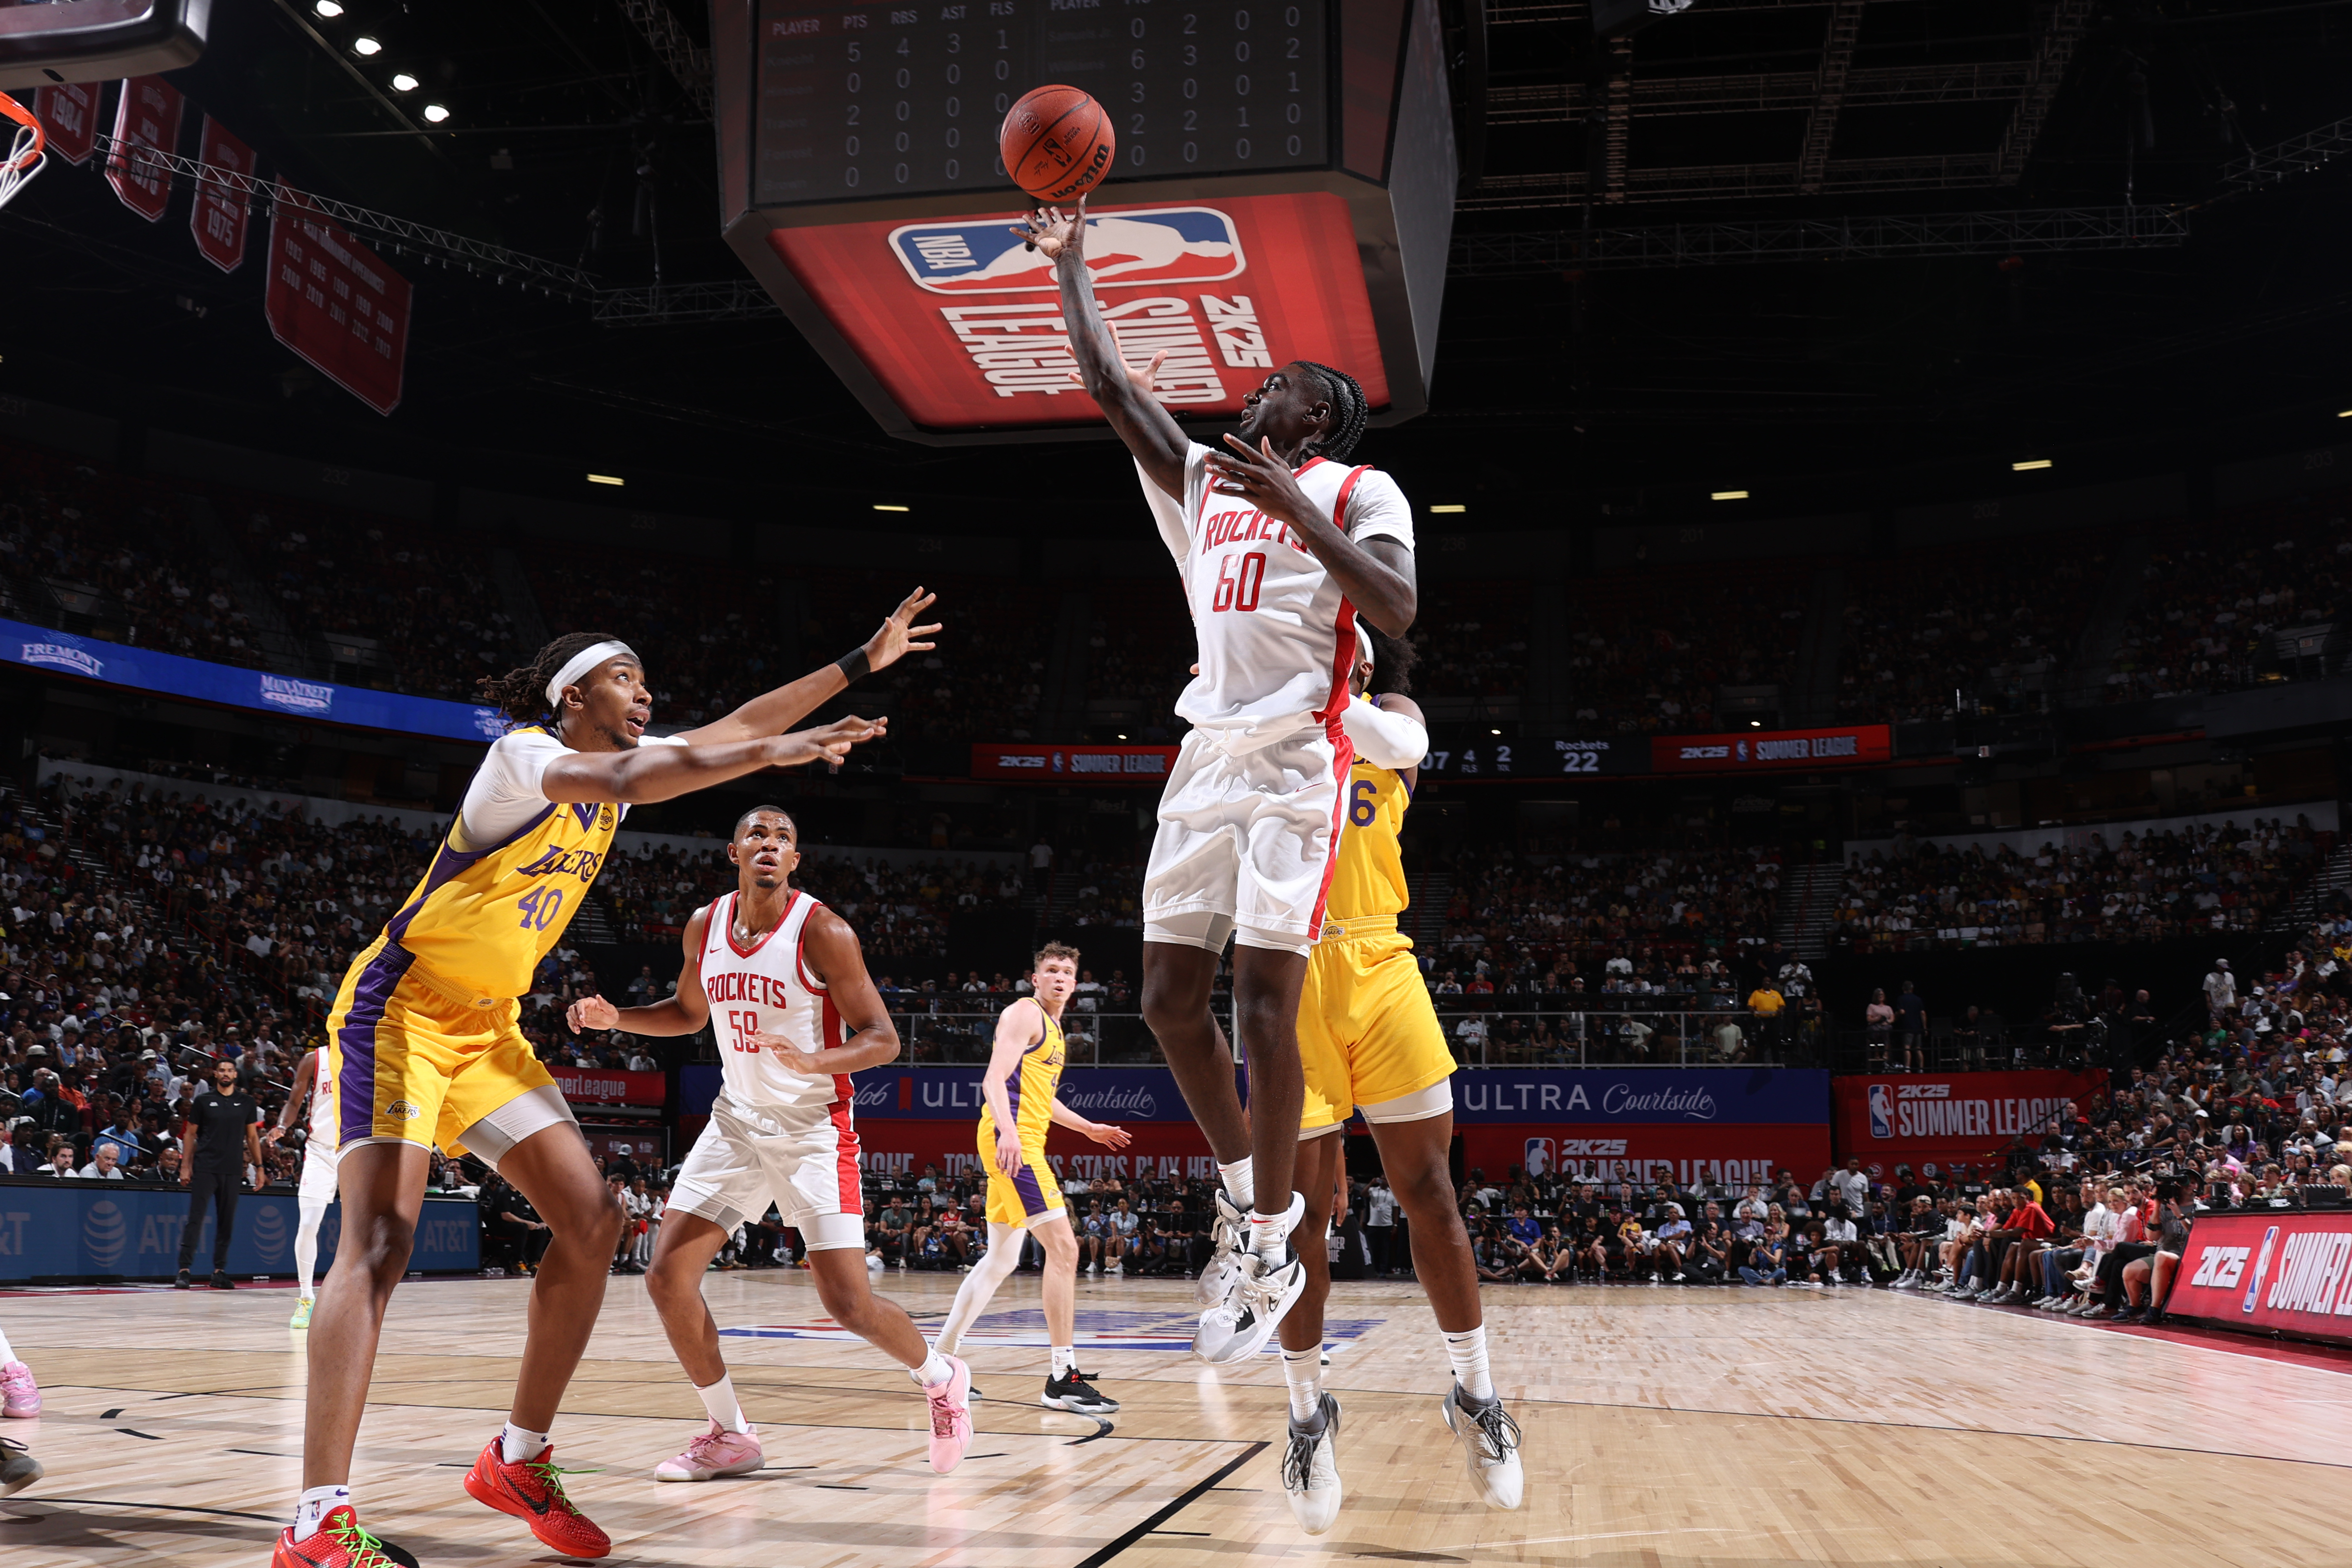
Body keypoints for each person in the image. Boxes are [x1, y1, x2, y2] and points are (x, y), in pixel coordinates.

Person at [274, 600, 928, 1568]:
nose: (646, 691)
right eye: (627, 677)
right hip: (401, 1009)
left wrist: (855, 662)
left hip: (487, 1026)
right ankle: (315, 1520)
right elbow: (668, 764)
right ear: (572, 694)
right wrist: (765, 754)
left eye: (646, 682)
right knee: (379, 1238)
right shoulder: (524, 760)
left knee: (592, 1218)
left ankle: (518, 1458)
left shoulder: (611, 774)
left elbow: (731, 730)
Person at [1024, 199, 1418, 1366]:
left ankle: (1265, 1225)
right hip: (1206, 753)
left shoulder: (1360, 490)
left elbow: (1396, 612)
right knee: (1161, 998)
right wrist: (1072, 263)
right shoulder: (1202, 482)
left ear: (1325, 416)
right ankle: (1256, 1198)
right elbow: (1111, 390)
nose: (1255, 392)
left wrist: (1299, 507)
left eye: (1280, 386)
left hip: (1300, 750)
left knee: (1260, 1005)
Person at [569, 805, 976, 1481]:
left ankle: (941, 1376)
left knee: (846, 1304)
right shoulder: (706, 924)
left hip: (814, 1128)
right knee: (668, 1278)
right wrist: (620, 1019)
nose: (770, 844)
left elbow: (883, 1037)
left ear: (794, 862)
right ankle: (731, 1434)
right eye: (757, 834)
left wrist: (817, 1062)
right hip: (737, 1122)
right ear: (734, 852)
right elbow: (688, 1013)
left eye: (783, 838)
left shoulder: (824, 931)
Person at [1269, 627, 1522, 1535]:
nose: (1351, 659)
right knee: (1300, 1220)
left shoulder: (1394, 718)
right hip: (1284, 970)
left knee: (1430, 1191)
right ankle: (1307, 1415)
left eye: (1358, 651)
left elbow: (1384, 731)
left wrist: (1266, 684)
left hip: (1380, 957)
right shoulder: (1268, 716)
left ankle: (1478, 1393)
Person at [928, 943, 1132, 1414]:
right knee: (1065, 1248)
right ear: (1035, 979)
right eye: (1051, 970)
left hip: (1019, 1139)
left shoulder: (1056, 1030)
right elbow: (993, 1080)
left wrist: (1089, 1128)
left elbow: (1044, 1099)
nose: (1059, 976)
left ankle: (940, 1363)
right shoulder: (1025, 1012)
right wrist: (1009, 1132)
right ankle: (1062, 1376)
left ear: (1075, 984)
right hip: (1012, 1143)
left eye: (1067, 971)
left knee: (1000, 1260)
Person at [268, 1045, 340, 1330]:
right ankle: (306, 1298)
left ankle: (352, 1300)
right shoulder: (315, 1058)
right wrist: (282, 1126)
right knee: (309, 1224)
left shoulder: (370, 1051)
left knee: (359, 1229)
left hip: (356, 1148)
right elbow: (294, 1100)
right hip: (320, 1151)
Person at [176, 1056, 261, 1291]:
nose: (226, 1073)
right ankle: (184, 1270)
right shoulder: (204, 1101)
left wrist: (260, 1168)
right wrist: (186, 1165)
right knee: (196, 1219)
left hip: (233, 1169)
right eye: (222, 1070)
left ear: (235, 1075)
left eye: (230, 1070)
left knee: (226, 1223)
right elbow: (190, 1134)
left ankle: (219, 1272)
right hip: (205, 1167)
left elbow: (253, 1137)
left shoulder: (246, 1102)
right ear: (215, 1074)